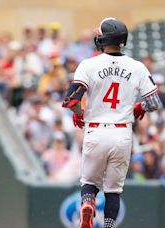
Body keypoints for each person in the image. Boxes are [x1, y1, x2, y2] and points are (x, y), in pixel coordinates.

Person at [62, 17, 162, 228]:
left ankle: (88, 203)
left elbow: (71, 101)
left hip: (96, 130)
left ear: (101, 39)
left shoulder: (88, 64)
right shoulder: (137, 66)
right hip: (122, 133)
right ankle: (108, 225)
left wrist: (79, 113)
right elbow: (153, 101)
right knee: (113, 190)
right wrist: (139, 107)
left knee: (89, 183)